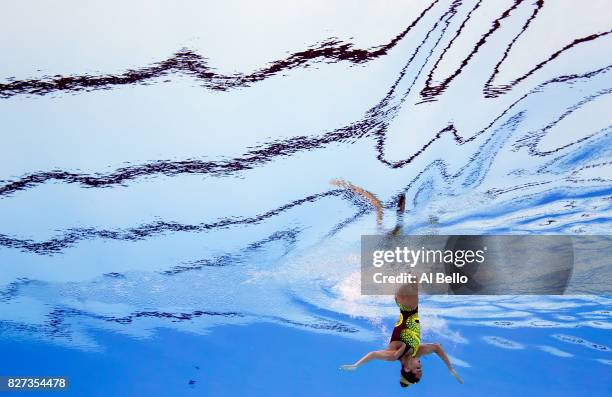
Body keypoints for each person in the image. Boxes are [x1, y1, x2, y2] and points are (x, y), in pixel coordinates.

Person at [332, 179, 462, 387]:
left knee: (405, 259)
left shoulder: (394, 356)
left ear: (407, 369)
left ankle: (397, 218)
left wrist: (357, 366)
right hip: (411, 302)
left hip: (406, 303)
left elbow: (373, 354)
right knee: (405, 256)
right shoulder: (417, 350)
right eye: (421, 370)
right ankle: (401, 220)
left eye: (417, 371)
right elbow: (437, 347)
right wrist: (450, 367)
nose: (421, 368)